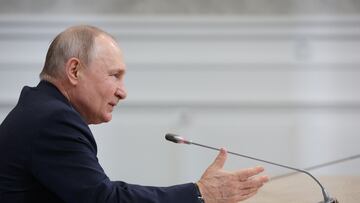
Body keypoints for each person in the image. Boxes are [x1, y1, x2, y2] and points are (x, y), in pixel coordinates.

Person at [0, 25, 268, 203]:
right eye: (114, 76)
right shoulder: (52, 120)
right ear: (74, 71)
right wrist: (200, 193)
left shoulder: (41, 109)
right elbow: (104, 200)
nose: (123, 92)